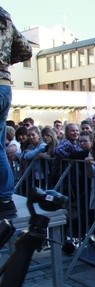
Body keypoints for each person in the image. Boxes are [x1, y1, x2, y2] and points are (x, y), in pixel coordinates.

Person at [0, 5, 32, 216]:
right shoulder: (5, 19)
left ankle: (4, 197)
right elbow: (26, 50)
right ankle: (4, 197)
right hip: (4, 85)